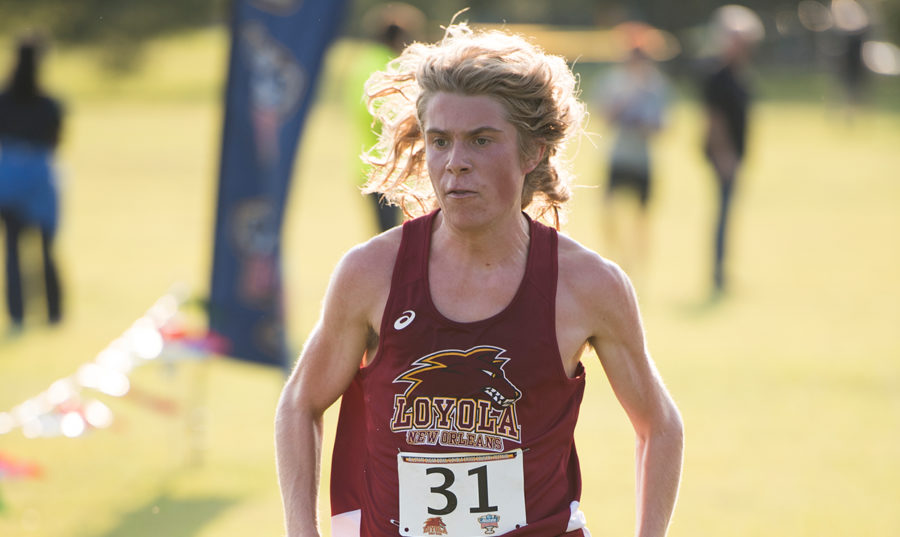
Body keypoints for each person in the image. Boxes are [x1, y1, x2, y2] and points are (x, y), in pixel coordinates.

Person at [276, 21, 683, 537]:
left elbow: (659, 424)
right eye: (440, 141)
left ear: (532, 150)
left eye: (481, 140)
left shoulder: (588, 284)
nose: (455, 164)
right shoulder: (370, 273)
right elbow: (299, 404)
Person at [0, 34, 64, 332]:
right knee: (47, 248)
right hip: (40, 175)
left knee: (13, 250)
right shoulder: (50, 103)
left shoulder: (4, 100)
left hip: (8, 177)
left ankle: (17, 317)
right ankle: (53, 314)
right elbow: (56, 141)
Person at [700, 6, 764, 296]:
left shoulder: (741, 75)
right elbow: (714, 121)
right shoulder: (718, 77)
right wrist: (725, 157)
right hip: (723, 157)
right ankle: (717, 274)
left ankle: (722, 271)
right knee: (723, 215)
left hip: (736, 155)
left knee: (728, 213)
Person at [594, 39, 669, 283]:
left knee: (641, 217)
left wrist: (645, 124)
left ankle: (638, 266)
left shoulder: (656, 86)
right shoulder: (616, 83)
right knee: (609, 211)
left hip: (642, 160)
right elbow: (605, 116)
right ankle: (615, 256)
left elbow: (662, 125)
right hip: (618, 156)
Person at [347, 3, 425, 233]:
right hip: (386, 168)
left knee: (386, 235)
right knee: (392, 238)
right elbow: (392, 117)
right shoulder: (387, 68)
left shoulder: (363, 62)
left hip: (368, 164)